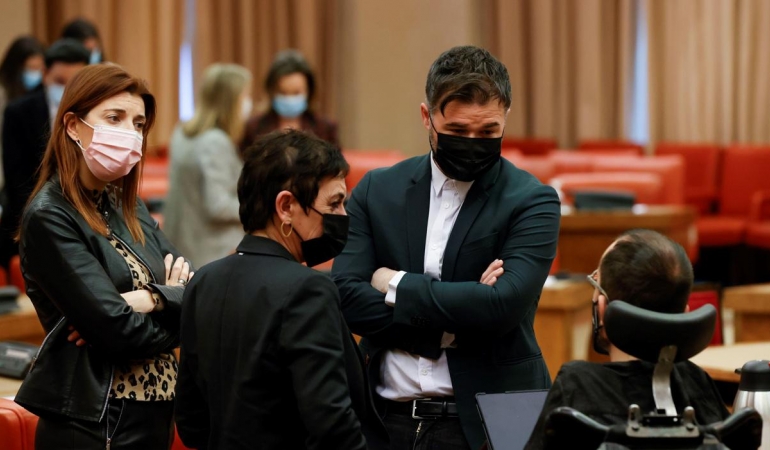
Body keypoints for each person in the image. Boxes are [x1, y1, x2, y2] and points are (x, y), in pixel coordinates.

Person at [331, 45, 561, 450]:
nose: (473, 142)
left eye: (488, 132)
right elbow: (347, 297)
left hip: (496, 419)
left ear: (506, 116)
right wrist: (455, 320)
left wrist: (394, 284)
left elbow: (503, 306)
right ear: (427, 117)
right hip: (386, 416)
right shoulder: (377, 190)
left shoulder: (532, 200)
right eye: (457, 131)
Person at [14, 63, 193, 449]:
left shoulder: (126, 205)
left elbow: (197, 292)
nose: (130, 132)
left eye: (139, 123)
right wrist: (172, 301)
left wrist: (151, 299)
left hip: (157, 413)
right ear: (73, 126)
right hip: (97, 423)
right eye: (115, 117)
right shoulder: (50, 215)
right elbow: (119, 333)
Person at [175, 129, 388, 450]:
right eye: (335, 203)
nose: (344, 216)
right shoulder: (308, 289)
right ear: (286, 206)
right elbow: (332, 428)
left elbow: (192, 424)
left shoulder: (203, 281)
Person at [524, 229, 731, 450]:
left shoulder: (577, 385)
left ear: (602, 309)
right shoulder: (698, 383)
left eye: (597, 282)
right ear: (684, 313)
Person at [0, 38, 88, 267]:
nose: (66, 88)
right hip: (28, 216)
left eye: (74, 82)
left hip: (81, 215)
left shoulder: (93, 113)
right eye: (59, 81)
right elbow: (16, 179)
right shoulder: (19, 112)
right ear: (45, 74)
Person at [164, 63, 251, 267]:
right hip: (214, 252)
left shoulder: (182, 132)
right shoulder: (215, 142)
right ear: (230, 101)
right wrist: (260, 209)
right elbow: (219, 206)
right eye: (244, 96)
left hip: (185, 246)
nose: (248, 103)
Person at [240, 49, 338, 153]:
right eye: (283, 92)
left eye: (296, 93)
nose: (289, 99)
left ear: (309, 92)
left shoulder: (325, 128)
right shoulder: (254, 128)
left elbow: (336, 166)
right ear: (271, 91)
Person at [0, 35, 46, 191]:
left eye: (39, 69)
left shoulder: (41, 97)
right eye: (31, 69)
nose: (36, 74)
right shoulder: (3, 95)